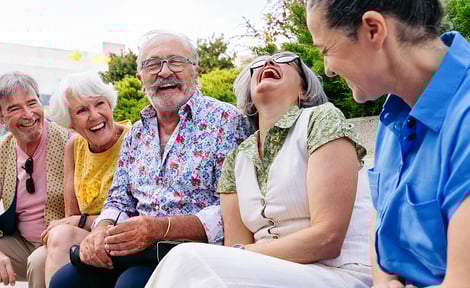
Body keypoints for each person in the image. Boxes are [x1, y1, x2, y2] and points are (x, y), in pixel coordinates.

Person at [145, 51, 373, 288]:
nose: (269, 62)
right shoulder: (236, 158)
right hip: (267, 274)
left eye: (286, 60)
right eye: (257, 64)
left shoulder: (321, 119)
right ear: (251, 98)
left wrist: (241, 253)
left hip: (337, 272)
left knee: (186, 258)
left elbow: (327, 239)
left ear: (303, 90)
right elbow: (235, 248)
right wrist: (238, 255)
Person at [49, 30, 251, 288]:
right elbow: (119, 198)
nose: (164, 72)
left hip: (194, 254)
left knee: (131, 283)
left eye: (176, 61)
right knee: (65, 281)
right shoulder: (137, 134)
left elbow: (236, 208)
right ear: (141, 78)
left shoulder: (226, 121)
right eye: (152, 64)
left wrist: (161, 228)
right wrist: (101, 230)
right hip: (136, 250)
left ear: (195, 70)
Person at [306, 1, 470, 287]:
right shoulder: (394, 118)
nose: (328, 70)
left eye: (326, 50)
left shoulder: (464, 117)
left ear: (373, 29)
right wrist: (384, 281)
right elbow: (381, 215)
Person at [0, 72, 69, 288]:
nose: (28, 114)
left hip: (63, 244)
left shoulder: (70, 141)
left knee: (39, 261)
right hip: (21, 245)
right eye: (14, 108)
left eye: (32, 103)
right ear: (0, 117)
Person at [35, 71, 131, 287]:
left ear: (110, 104)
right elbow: (72, 214)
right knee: (45, 250)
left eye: (99, 104)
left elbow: (141, 214)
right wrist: (79, 222)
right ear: (70, 122)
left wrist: (81, 221)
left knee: (57, 238)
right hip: (89, 236)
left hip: (126, 235)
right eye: (82, 110)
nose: (95, 115)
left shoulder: (134, 139)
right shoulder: (74, 146)